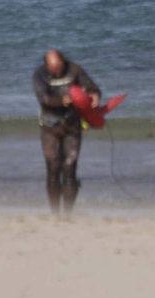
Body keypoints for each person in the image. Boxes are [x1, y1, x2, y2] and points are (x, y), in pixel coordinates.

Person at [32, 49, 102, 216]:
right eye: (53, 68)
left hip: (72, 124)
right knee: (53, 167)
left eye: (59, 67)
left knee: (70, 166)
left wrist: (94, 95)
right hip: (50, 125)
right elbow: (44, 98)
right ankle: (55, 213)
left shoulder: (74, 70)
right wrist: (60, 101)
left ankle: (68, 213)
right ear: (46, 65)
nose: (57, 71)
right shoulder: (39, 75)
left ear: (63, 61)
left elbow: (90, 85)